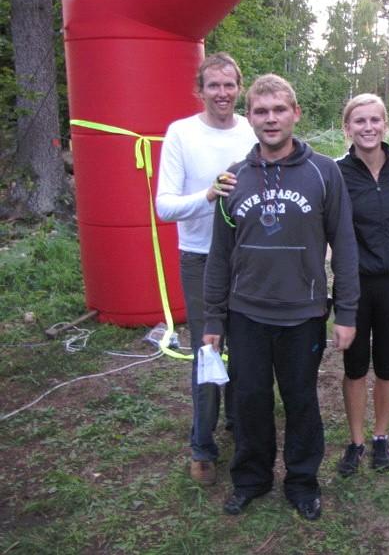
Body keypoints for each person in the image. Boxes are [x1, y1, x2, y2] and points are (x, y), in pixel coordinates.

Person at [203, 73, 359, 520]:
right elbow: (219, 254)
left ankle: (302, 482)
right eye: (260, 111)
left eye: (278, 110)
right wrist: (213, 319)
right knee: (249, 399)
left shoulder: (323, 172)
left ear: (295, 114)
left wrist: (345, 311)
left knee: (301, 399)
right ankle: (251, 479)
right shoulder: (233, 179)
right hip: (245, 313)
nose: (270, 119)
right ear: (248, 117)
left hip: (303, 313)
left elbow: (344, 244)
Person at [155, 52, 254, 487]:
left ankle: (240, 423)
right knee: (208, 349)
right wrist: (209, 194)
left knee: (247, 346)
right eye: (213, 85)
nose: (222, 93)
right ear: (200, 90)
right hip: (199, 257)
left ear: (239, 88)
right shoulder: (181, 133)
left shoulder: (252, 131)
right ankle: (202, 446)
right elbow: (163, 206)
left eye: (229, 84)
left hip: (247, 257)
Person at [335, 94, 389, 476]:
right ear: (347, 127)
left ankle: (381, 436)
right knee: (354, 367)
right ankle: (356, 440)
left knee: (387, 363)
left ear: (386, 124)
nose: (367, 128)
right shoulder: (336, 172)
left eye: (374, 120)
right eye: (359, 121)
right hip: (354, 285)